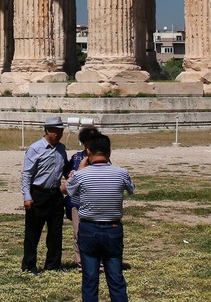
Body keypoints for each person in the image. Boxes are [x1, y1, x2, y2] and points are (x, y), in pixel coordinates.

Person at [63, 133, 134, 302]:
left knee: (90, 280)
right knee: (116, 278)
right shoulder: (121, 173)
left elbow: (66, 190)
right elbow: (131, 189)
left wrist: (80, 168)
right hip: (113, 228)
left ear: (88, 152)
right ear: (109, 151)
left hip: (88, 228)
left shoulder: (82, 175)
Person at [21, 115, 68, 274]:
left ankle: (53, 265)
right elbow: (27, 174)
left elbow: (64, 169)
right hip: (38, 194)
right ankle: (29, 265)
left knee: (55, 232)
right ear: (48, 130)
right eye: (57, 131)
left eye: (61, 130)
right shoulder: (35, 149)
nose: (60, 134)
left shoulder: (61, 149)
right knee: (33, 232)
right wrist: (27, 196)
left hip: (55, 195)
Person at [66, 126, 99, 269]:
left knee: (97, 234)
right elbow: (67, 176)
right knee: (78, 234)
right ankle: (81, 263)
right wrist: (72, 174)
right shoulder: (76, 158)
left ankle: (99, 262)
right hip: (77, 202)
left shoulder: (101, 158)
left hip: (96, 202)